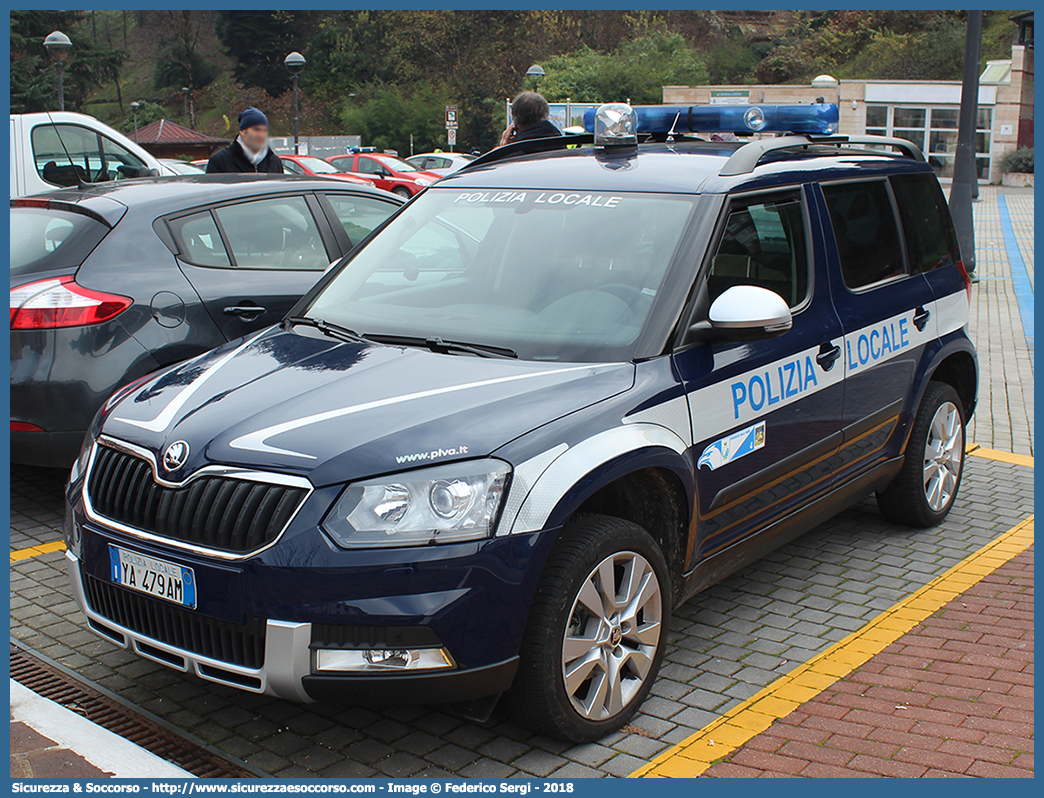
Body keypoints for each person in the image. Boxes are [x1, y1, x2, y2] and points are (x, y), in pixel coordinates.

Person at [206, 107, 284, 174]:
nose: (261, 135)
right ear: (243, 131)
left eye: (264, 130)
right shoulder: (220, 161)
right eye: (256, 130)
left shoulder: (274, 161)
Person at [499, 91, 563, 147]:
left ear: (515, 125)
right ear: (547, 117)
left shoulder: (512, 156)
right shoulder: (563, 149)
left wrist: (504, 151)